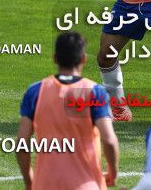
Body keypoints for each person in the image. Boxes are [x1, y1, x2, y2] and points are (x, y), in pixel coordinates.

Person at [16, 32, 119, 189]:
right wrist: (113, 173)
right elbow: (109, 140)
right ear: (83, 59)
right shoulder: (94, 92)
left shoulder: (35, 91)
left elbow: (22, 142)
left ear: (55, 58)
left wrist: (29, 181)